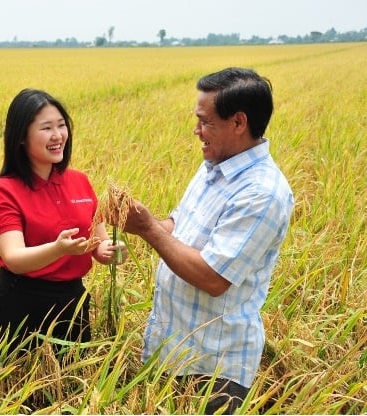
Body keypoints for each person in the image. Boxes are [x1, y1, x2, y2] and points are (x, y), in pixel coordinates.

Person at [109, 67, 294, 414]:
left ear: (238, 122)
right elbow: (178, 226)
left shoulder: (262, 193)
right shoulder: (214, 166)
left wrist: (148, 228)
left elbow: (213, 277)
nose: (197, 131)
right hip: (172, 350)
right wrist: (140, 222)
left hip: (213, 367)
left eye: (205, 121)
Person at [0, 88, 127, 361]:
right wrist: (59, 249)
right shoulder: (4, 190)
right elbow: (13, 258)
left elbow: (98, 243)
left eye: (61, 126)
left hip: (71, 299)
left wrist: (110, 249)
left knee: (70, 382)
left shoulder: (80, 181)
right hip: (21, 300)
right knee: (17, 389)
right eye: (46, 128)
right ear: (22, 137)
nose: (58, 135)